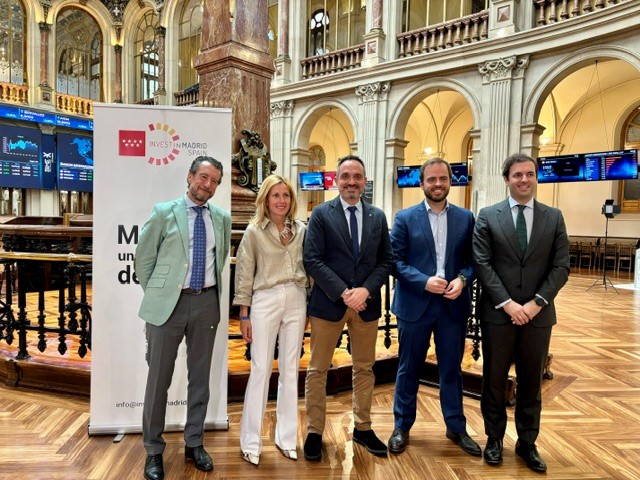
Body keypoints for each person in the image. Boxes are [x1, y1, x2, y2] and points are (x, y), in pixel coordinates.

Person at [135, 156, 231, 480]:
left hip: (206, 304)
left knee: (200, 379)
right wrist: (161, 294)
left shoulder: (221, 218)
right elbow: (143, 260)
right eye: (203, 177)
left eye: (214, 181)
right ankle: (153, 450)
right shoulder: (164, 212)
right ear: (190, 177)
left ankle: (195, 443)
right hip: (168, 306)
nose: (208, 184)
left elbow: (220, 259)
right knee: (158, 381)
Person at [473, 153, 570, 473]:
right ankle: (494, 439)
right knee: (494, 379)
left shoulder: (554, 217)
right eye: (517, 175)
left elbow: (561, 267)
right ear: (507, 179)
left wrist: (536, 303)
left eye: (529, 174)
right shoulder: (488, 216)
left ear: (536, 177)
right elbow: (483, 264)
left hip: (538, 316)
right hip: (498, 315)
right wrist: (509, 304)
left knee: (531, 381)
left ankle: (527, 442)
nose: (524, 180)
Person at [302, 154, 394, 461]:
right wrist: (344, 293)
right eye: (346, 176)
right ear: (336, 180)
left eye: (357, 177)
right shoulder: (321, 215)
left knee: (364, 368)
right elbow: (312, 259)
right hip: (329, 304)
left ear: (364, 181)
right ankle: (315, 431)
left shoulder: (377, 217)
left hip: (366, 305)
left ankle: (363, 428)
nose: (351, 182)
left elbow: (386, 260)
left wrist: (365, 290)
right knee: (318, 370)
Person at [387, 158, 480, 457]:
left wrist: (463, 280)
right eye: (431, 179)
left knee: (451, 369)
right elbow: (395, 261)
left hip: (452, 306)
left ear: (450, 181)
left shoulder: (466, 218)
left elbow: (473, 261)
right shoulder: (405, 218)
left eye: (443, 179)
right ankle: (402, 426)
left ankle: (456, 427)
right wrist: (424, 281)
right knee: (408, 368)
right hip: (415, 304)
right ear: (422, 183)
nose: (437, 184)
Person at [233, 175, 308, 466]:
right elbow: (244, 274)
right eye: (275, 195)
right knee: (261, 369)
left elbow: (308, 267)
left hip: (297, 297)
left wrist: (309, 305)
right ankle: (251, 442)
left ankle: (286, 439)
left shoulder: (301, 230)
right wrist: (244, 314)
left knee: (290, 369)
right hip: (264, 299)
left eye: (285, 195)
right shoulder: (254, 232)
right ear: (265, 199)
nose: (281, 200)